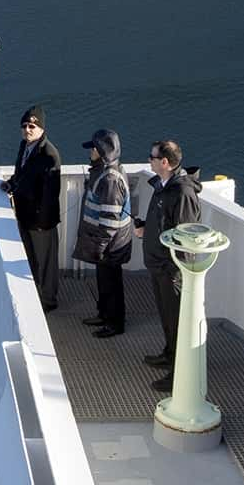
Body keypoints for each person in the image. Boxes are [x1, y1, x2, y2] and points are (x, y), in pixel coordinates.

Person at [135, 139, 201, 392]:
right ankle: (169, 353)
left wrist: (173, 267)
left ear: (164, 162)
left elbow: (185, 234)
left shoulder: (182, 192)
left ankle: (179, 375)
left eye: (151, 157)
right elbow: (164, 224)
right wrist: (146, 229)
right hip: (159, 265)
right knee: (167, 317)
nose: (149, 161)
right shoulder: (163, 186)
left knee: (177, 321)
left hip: (171, 269)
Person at [0, 105, 61, 312]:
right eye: (25, 125)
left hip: (41, 221)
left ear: (41, 128)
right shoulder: (24, 146)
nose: (28, 129)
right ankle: (36, 295)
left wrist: (42, 222)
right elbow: (22, 174)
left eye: (32, 126)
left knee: (45, 263)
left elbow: (51, 193)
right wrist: (11, 183)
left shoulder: (49, 155)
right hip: (25, 216)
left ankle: (48, 301)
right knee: (32, 259)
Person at [73, 128, 132, 337]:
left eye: (94, 149)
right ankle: (104, 314)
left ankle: (115, 323)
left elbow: (110, 219)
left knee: (112, 283)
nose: (90, 153)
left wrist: (99, 246)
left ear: (102, 151)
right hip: (107, 243)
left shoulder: (110, 179)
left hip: (111, 244)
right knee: (104, 280)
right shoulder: (105, 172)